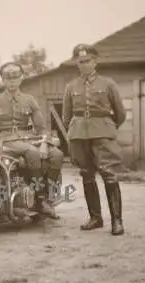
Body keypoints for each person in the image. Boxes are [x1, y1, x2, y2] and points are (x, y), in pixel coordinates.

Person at [0, 62, 64, 219]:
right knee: (31, 151)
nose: (11, 81)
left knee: (57, 155)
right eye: (7, 78)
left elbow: (41, 127)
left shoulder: (29, 100)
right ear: (2, 80)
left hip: (29, 138)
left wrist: (45, 143)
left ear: (21, 78)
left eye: (15, 77)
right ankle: (40, 200)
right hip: (5, 141)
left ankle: (48, 195)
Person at [62, 44, 126, 235]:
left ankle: (117, 221)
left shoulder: (108, 84)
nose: (84, 65)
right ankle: (95, 218)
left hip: (102, 133)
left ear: (95, 61)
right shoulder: (71, 86)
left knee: (109, 174)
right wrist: (76, 129)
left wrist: (106, 127)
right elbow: (66, 116)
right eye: (80, 62)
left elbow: (120, 114)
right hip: (79, 134)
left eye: (87, 61)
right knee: (86, 174)